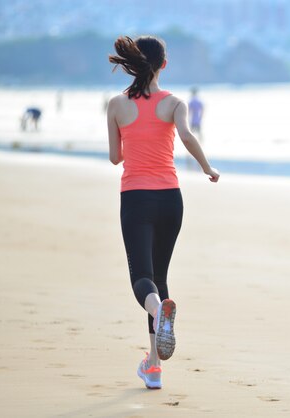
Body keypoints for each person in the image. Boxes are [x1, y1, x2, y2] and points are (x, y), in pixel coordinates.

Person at [107, 35, 220, 390]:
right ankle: (153, 367)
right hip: (171, 198)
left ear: (132, 65)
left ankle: (157, 324)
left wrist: (134, 139)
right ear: (163, 65)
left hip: (136, 197)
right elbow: (186, 136)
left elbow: (115, 157)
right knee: (159, 279)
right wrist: (206, 168)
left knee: (142, 278)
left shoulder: (116, 105)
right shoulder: (174, 103)